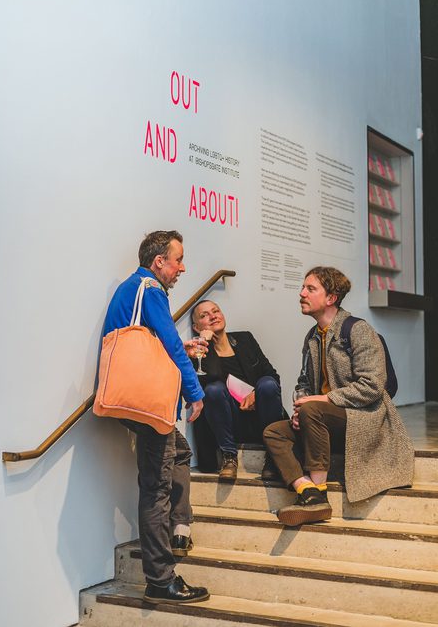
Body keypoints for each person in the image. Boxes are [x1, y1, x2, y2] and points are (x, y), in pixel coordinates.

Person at [102, 230, 210, 604]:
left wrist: (183, 348)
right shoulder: (150, 288)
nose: (183, 268)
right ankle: (161, 580)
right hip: (147, 406)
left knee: (179, 454)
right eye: (178, 260)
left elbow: (153, 343)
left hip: (133, 400)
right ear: (159, 261)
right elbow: (168, 343)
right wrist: (194, 392)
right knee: (156, 488)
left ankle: (179, 527)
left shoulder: (132, 288)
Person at [263, 266, 414, 527]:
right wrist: (300, 407)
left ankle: (319, 494)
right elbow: (303, 382)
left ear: (331, 298)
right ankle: (307, 491)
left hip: (364, 417)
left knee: (313, 410)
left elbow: (372, 386)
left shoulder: (358, 330)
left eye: (310, 289)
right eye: (303, 287)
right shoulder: (312, 336)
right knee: (274, 432)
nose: (301, 293)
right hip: (325, 418)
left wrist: (320, 401)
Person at [191, 299, 286, 481]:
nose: (213, 316)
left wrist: (255, 394)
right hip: (226, 425)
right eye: (204, 315)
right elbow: (212, 375)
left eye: (215, 311)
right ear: (196, 327)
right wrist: (205, 342)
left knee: (267, 383)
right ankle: (229, 456)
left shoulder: (245, 339)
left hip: (259, 418)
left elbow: (273, 376)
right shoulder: (197, 352)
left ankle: (273, 456)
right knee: (213, 389)